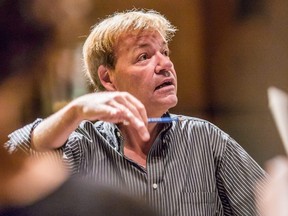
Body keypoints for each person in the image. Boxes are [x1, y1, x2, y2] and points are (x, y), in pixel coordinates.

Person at [5, 9, 267, 215]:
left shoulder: (206, 139)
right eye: (144, 56)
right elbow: (13, 152)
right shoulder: (81, 144)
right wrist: (75, 111)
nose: (165, 64)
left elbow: (270, 207)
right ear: (108, 79)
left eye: (164, 52)